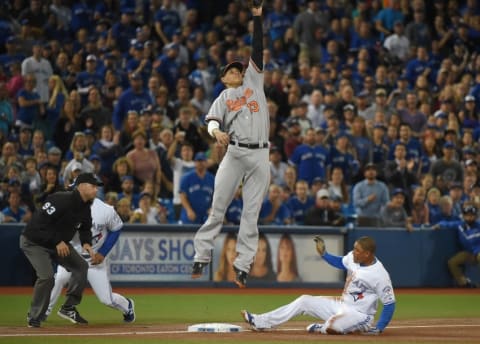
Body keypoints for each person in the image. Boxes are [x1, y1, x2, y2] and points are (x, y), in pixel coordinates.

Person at [191, 4, 270, 288]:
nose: (236, 71)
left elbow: (257, 49)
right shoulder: (223, 97)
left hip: (261, 153)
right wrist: (216, 134)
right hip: (235, 153)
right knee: (218, 206)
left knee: (251, 214)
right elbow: (211, 122)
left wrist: (257, 18)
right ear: (224, 78)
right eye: (230, 71)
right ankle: (201, 255)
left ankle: (243, 266)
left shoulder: (255, 82)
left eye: (238, 68)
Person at [242, 236, 396, 335]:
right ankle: (261, 321)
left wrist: (379, 327)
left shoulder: (379, 274)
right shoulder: (353, 258)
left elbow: (389, 303)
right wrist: (324, 254)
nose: (354, 252)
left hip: (361, 315)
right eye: (354, 248)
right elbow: (340, 262)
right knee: (304, 300)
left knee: (332, 326)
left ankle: (321, 327)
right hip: (342, 304)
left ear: (367, 254)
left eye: (358, 250)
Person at [19, 172, 102, 328]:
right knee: (47, 277)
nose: (96, 190)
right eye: (93, 186)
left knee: (81, 267)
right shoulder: (61, 199)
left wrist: (86, 243)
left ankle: (68, 307)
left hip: (57, 244)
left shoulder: (85, 207)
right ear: (81, 187)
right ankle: (35, 315)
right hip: (34, 242)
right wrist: (57, 241)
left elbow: (85, 228)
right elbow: (38, 224)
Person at [46, 197, 135, 322]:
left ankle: (127, 305)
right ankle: (44, 311)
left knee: (106, 300)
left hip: (94, 260)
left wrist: (103, 253)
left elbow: (116, 229)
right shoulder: (67, 206)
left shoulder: (105, 209)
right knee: (60, 278)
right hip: (73, 257)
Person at [434, 202, 480, 288]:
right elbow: (447, 223)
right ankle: (464, 283)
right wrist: (439, 224)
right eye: (467, 215)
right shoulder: (460, 225)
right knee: (452, 262)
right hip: (469, 253)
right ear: (464, 216)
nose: (470, 217)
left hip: (478, 252)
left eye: (472, 215)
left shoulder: (479, 225)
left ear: (476, 216)